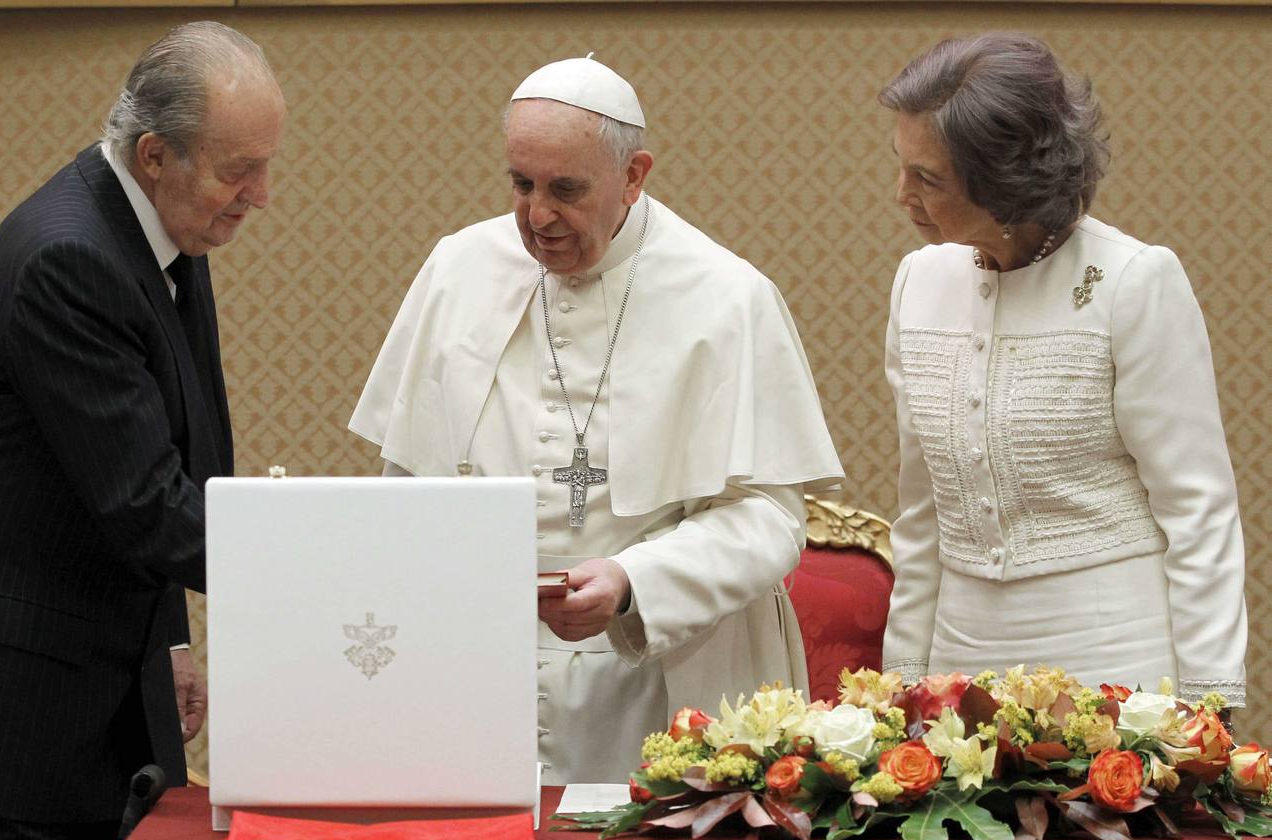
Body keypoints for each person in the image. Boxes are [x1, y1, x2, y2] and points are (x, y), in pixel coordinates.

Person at [0, 21, 285, 840]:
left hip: (78, 693)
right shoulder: (69, 259)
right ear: (156, 153)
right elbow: (148, 505)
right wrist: (340, 565)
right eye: (239, 170)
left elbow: (171, 464)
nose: (261, 194)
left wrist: (165, 635)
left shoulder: (162, 233)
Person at [350, 56, 843, 784]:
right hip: (485, 671)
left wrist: (631, 578)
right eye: (520, 184)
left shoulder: (727, 297)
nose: (536, 216)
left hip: (666, 678)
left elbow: (770, 518)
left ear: (634, 175)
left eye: (566, 190)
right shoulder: (458, 270)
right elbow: (407, 488)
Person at [878, 32, 1247, 709]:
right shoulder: (915, 284)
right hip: (961, 670)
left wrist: (1205, 707)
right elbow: (921, 509)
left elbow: (1197, 509)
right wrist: (903, 682)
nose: (901, 193)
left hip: (1114, 666)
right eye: (901, 167)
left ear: (1002, 182)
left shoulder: (1131, 282)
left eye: (927, 178)